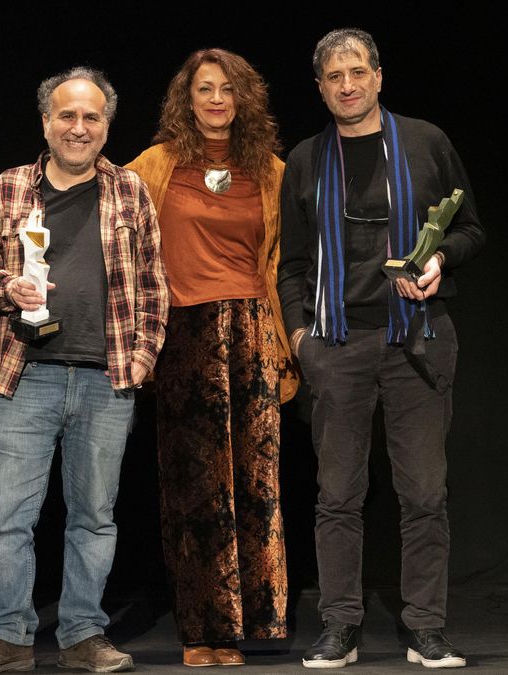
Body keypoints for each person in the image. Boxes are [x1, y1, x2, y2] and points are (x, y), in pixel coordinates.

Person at [277, 28, 485, 669]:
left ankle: (426, 628)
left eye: (358, 72)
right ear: (320, 87)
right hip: (337, 344)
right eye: (335, 76)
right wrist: (301, 336)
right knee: (337, 494)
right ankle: (340, 625)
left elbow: (472, 229)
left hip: (417, 340)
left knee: (424, 493)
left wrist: (442, 260)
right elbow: (289, 263)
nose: (348, 85)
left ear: (378, 76)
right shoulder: (307, 160)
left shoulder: (425, 142)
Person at [0, 67, 168, 674]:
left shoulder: (130, 191)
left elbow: (156, 287)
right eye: (67, 116)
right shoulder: (9, 189)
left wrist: (139, 364)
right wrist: (8, 288)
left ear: (106, 125)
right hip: (25, 378)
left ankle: (82, 634)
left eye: (92, 117)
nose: (79, 128)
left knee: (94, 518)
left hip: (106, 380)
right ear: (46, 122)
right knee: (6, 520)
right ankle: (8, 637)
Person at [125, 48, 297, 667]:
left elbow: (287, 260)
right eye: (205, 89)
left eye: (228, 89)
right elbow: (111, 224)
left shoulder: (271, 170)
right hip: (184, 334)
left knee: (256, 487)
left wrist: (286, 340)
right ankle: (202, 629)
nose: (217, 100)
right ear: (187, 99)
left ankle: (253, 623)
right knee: (194, 488)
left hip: (253, 332)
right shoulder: (155, 166)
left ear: (244, 98)